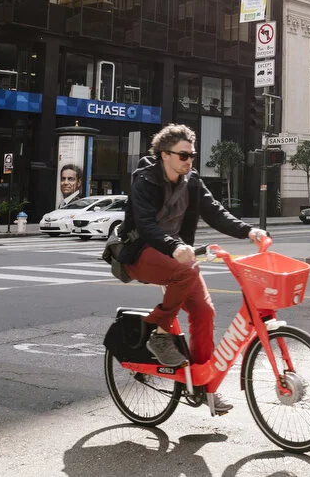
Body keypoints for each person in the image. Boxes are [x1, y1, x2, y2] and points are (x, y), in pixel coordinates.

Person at [118, 123, 268, 416]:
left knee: (205, 312)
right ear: (164, 155)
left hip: (176, 255)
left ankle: (203, 385)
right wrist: (173, 246)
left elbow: (216, 213)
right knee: (186, 271)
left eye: (192, 156)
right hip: (140, 252)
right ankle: (160, 334)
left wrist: (248, 231)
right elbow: (146, 226)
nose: (189, 161)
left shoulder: (192, 181)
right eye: (183, 156)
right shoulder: (144, 181)